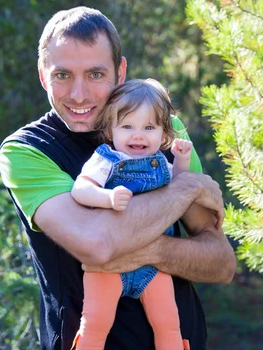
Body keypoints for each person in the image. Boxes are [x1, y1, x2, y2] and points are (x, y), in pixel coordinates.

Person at [0, 6, 236, 350]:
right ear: (42, 75)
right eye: (62, 75)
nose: (79, 94)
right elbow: (98, 245)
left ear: (120, 72)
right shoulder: (28, 151)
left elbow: (221, 262)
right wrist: (186, 187)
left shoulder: (163, 131)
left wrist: (147, 249)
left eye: (95, 74)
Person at [71, 78, 208, 350]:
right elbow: (80, 189)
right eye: (128, 126)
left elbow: (181, 191)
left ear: (163, 134)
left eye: (149, 127)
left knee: (168, 323)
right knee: (96, 322)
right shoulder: (106, 159)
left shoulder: (161, 163)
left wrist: (180, 160)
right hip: (109, 264)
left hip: (153, 267)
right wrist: (107, 197)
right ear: (111, 130)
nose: (138, 135)